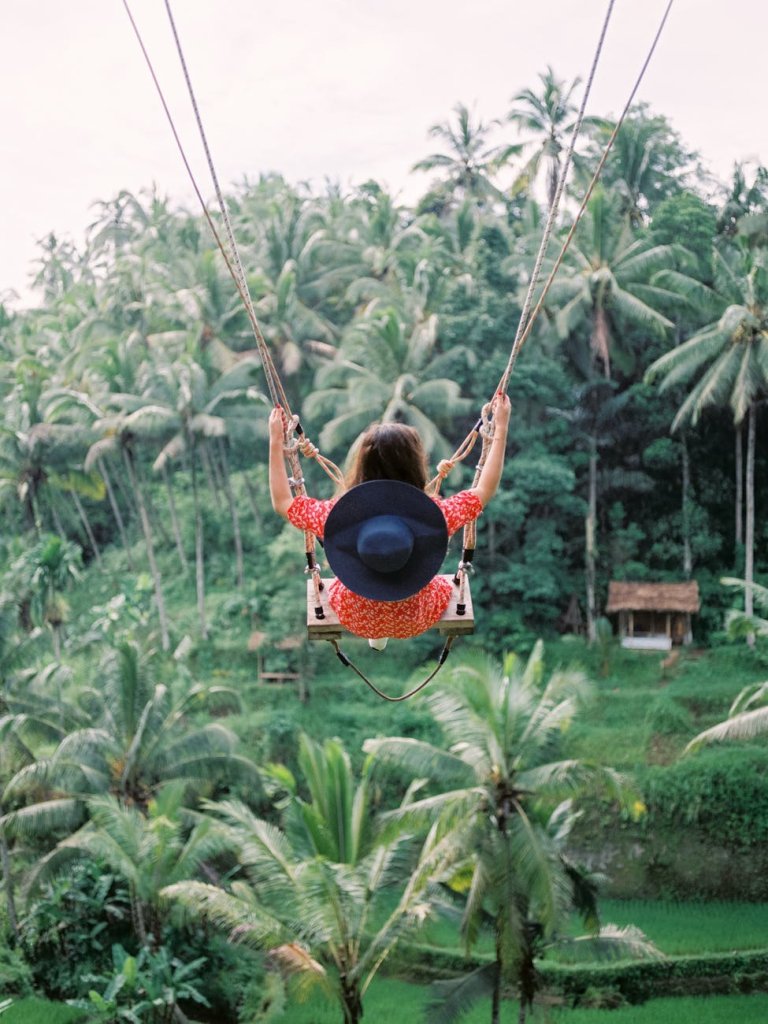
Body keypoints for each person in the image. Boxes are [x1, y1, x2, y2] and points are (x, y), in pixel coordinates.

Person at [269, 394, 511, 647]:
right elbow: (484, 491)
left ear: (361, 463)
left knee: (346, 585)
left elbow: (282, 503)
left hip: (355, 617)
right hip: (415, 619)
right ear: (416, 463)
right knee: (441, 584)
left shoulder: (335, 515)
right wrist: (501, 428)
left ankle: (376, 628)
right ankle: (384, 616)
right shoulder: (436, 515)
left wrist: (275, 441)